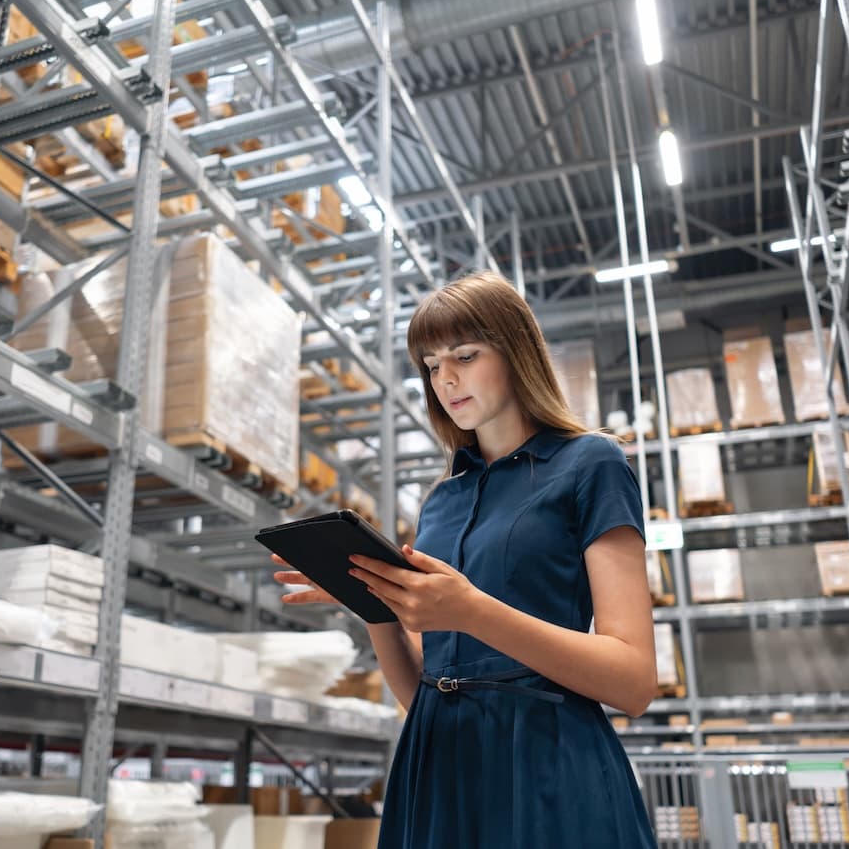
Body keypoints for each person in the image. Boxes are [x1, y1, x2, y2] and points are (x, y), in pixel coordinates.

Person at [273, 272, 658, 848]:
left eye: (465, 355)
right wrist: (372, 602)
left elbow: (633, 681)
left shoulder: (590, 464)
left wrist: (473, 611)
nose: (445, 379)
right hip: (437, 764)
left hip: (546, 770)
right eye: (430, 365)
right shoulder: (442, 502)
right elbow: (431, 688)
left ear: (517, 351)